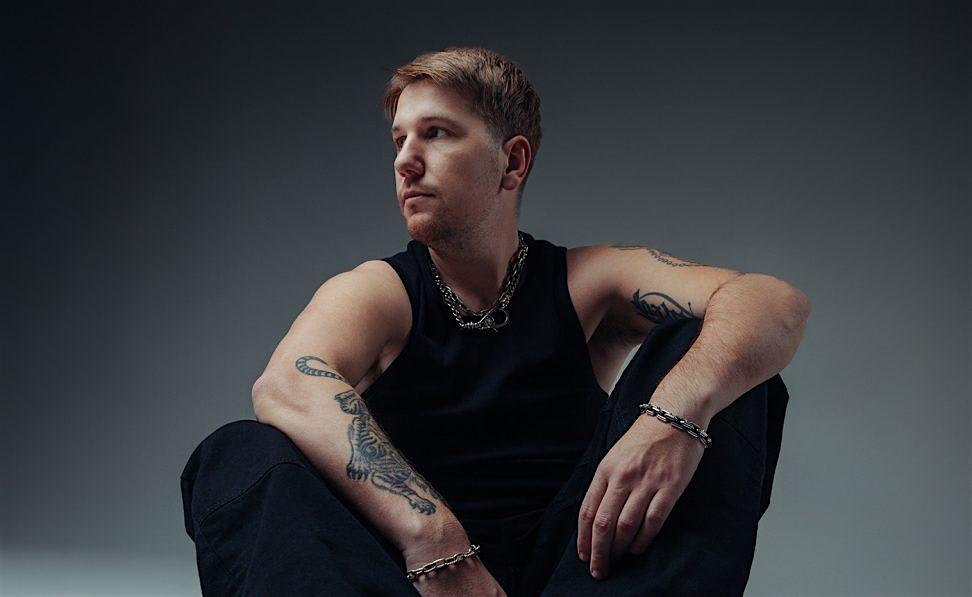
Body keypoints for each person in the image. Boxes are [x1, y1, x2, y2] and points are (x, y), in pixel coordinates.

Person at [180, 46, 810, 596]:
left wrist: (672, 420)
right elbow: (286, 385)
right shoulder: (378, 292)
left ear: (512, 162)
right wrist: (434, 541)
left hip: (581, 571)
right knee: (237, 453)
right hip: (414, 579)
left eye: (436, 133)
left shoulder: (589, 281)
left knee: (723, 359)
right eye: (399, 139)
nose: (405, 160)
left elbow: (771, 302)